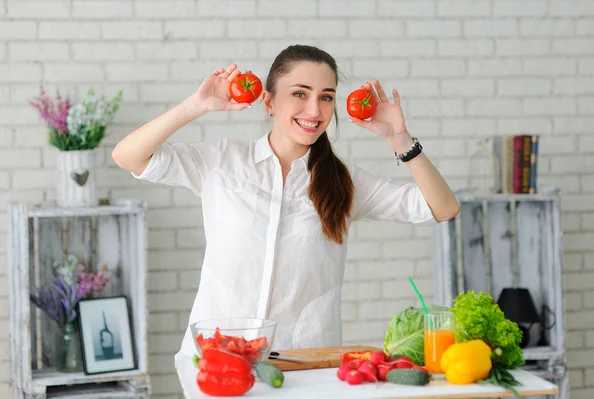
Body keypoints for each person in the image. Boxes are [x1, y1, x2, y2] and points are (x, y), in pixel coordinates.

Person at [112, 45, 460, 360]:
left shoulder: (345, 182)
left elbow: (442, 208)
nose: (314, 109)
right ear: (268, 101)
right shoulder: (221, 161)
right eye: (299, 94)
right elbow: (129, 157)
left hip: (303, 366)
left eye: (326, 97)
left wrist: (401, 140)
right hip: (217, 359)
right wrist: (196, 105)